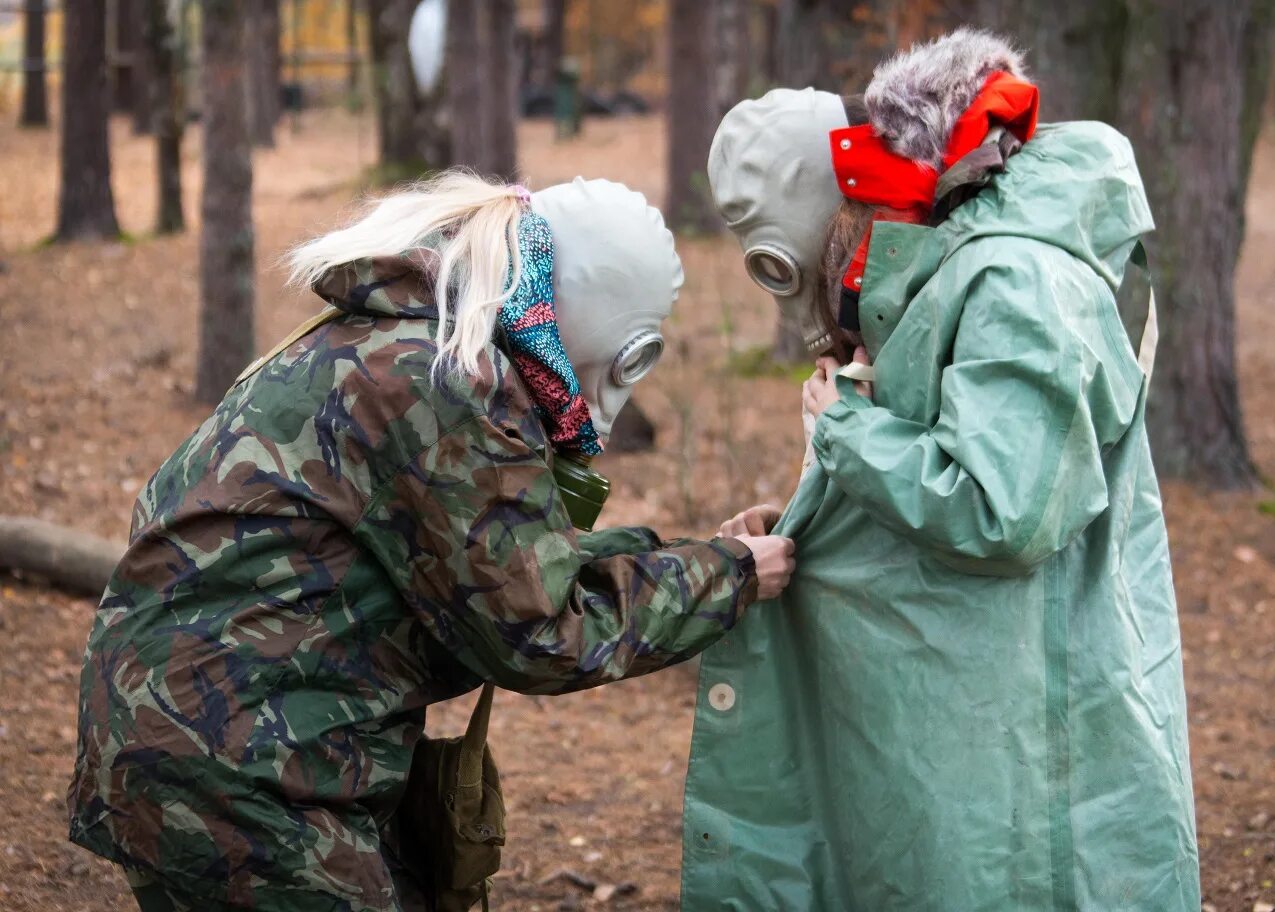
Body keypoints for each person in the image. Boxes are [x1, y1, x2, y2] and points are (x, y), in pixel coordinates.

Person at [67, 174, 796, 912]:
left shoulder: (401, 338)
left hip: (188, 733)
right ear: (601, 315)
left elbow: (498, 562)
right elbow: (540, 631)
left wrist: (690, 555)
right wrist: (729, 577)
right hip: (240, 765)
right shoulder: (448, 378)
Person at [687, 28, 1199, 911]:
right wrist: (808, 518)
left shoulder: (1013, 279)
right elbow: (945, 454)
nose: (824, 299)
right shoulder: (952, 270)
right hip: (970, 733)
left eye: (804, 268)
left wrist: (846, 435)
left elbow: (1005, 509)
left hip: (1029, 758)